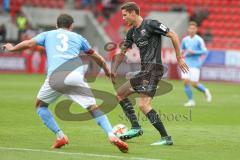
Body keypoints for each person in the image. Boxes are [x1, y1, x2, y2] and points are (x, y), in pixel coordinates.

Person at [2, 13, 128, 153]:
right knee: (93, 108)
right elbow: (96, 56)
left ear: (57, 25)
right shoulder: (79, 37)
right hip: (75, 75)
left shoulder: (48, 34)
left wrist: (12, 48)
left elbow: (29, 43)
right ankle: (111, 134)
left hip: (56, 77)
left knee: (40, 106)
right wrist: (107, 70)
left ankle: (60, 136)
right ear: (71, 26)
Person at [111, 2, 189, 146]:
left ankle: (164, 137)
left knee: (143, 104)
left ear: (133, 13)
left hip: (153, 69)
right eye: (122, 15)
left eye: (125, 15)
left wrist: (179, 57)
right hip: (144, 71)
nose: (123, 18)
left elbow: (173, 35)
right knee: (121, 95)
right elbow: (122, 51)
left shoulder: (151, 24)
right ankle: (137, 128)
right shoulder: (131, 32)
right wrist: (114, 68)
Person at [180, 21, 212, 107]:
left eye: (193, 29)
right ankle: (191, 101)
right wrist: (182, 54)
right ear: (188, 29)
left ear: (196, 30)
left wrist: (194, 52)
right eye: (190, 28)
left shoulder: (199, 40)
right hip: (186, 63)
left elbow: (205, 51)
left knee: (194, 84)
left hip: (195, 64)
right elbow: (181, 49)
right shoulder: (185, 40)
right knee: (186, 81)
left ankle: (205, 90)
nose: (192, 30)